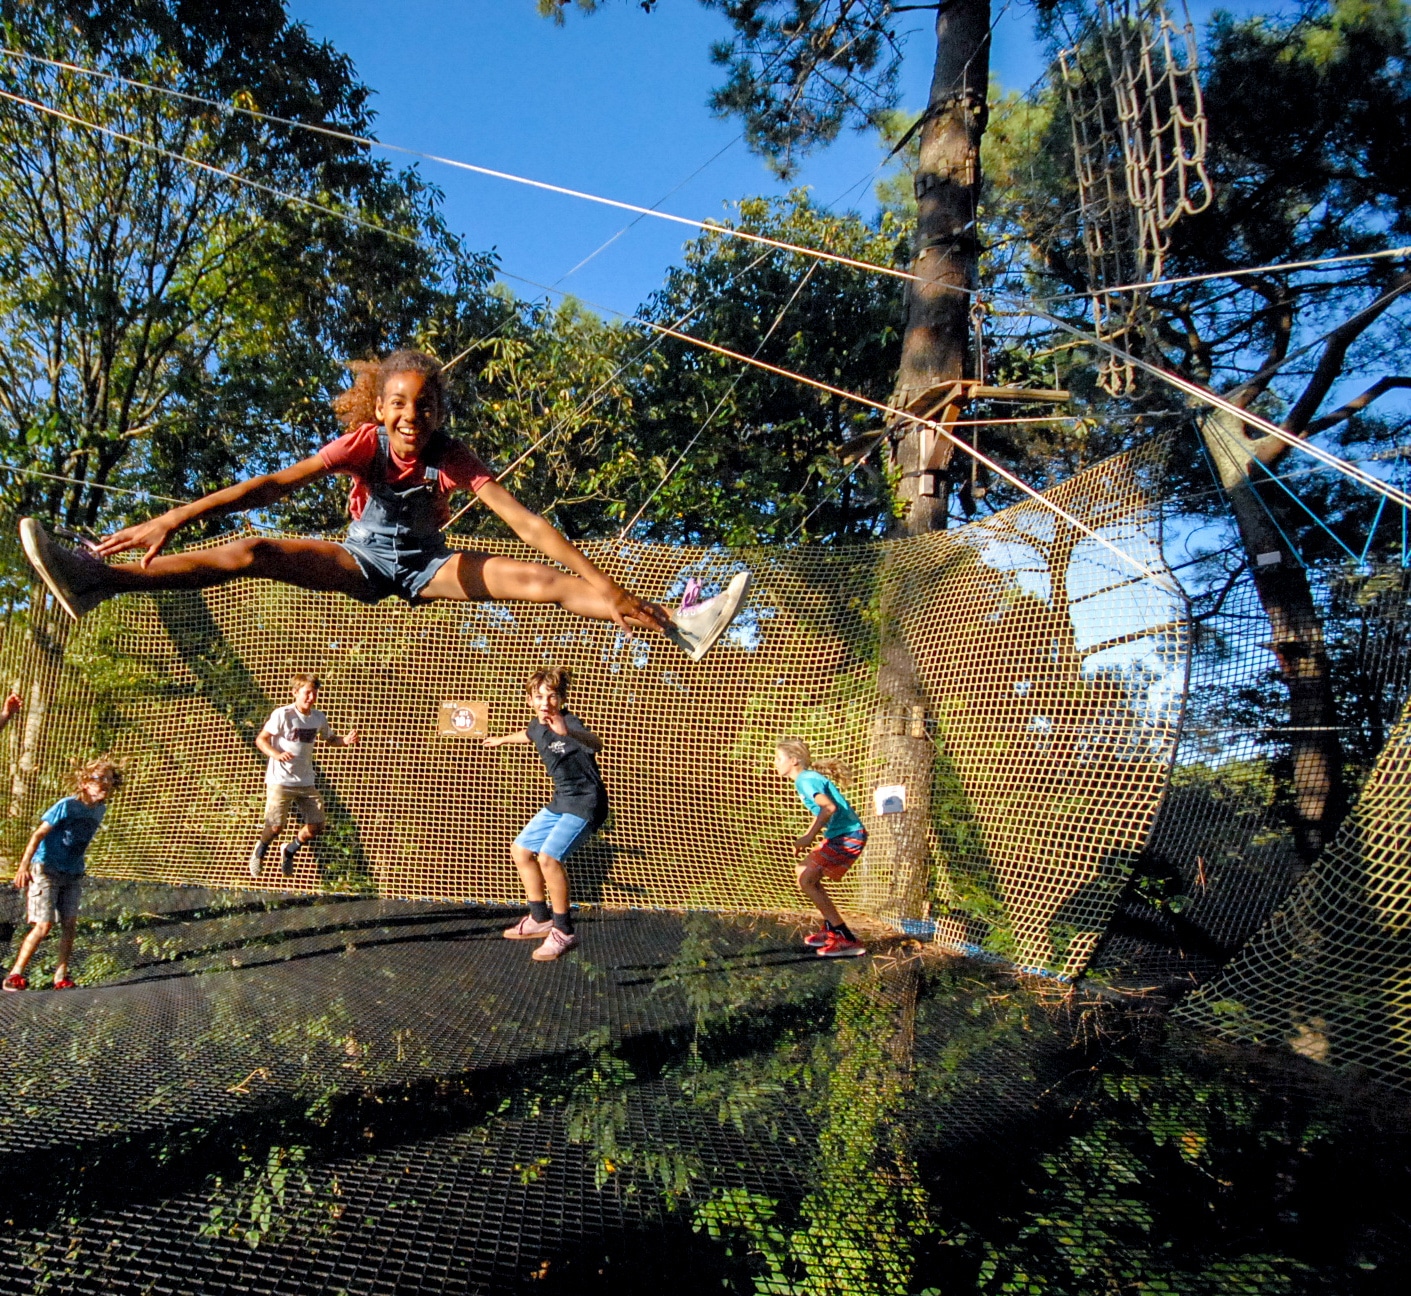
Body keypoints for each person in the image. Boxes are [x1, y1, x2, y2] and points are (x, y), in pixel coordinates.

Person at [17, 350, 750, 661]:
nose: (411, 417)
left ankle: (674, 623)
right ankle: (97, 579)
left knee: (547, 582)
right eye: (399, 404)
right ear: (380, 404)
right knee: (256, 551)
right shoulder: (361, 444)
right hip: (363, 562)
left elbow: (524, 522)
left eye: (424, 407)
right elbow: (268, 486)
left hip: (428, 567)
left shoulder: (450, 457)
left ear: (437, 413)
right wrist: (178, 515)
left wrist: (610, 585)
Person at [484, 667, 607, 962]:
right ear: (529, 700)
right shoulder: (536, 726)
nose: (546, 702)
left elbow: (596, 743)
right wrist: (501, 739)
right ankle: (540, 918)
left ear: (561, 699)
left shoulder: (571, 723)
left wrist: (570, 732)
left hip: (586, 803)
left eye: (552, 696)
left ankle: (563, 932)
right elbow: (528, 734)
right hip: (561, 802)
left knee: (549, 858)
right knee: (521, 850)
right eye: (539, 696)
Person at [4, 754, 123, 991]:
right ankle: (15, 974)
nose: (106, 785)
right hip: (46, 869)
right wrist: (23, 866)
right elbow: (38, 834)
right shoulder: (66, 805)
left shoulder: (100, 809)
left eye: (110, 780)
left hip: (73, 872)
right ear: (85, 783)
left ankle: (61, 975)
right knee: (44, 925)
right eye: (101, 779)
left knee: (69, 923)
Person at [250, 674, 359, 879]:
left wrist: (345, 740)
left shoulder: (318, 717)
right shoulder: (283, 714)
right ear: (295, 693)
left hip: (305, 781)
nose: (311, 697)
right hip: (280, 781)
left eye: (314, 692)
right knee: (275, 826)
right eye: (307, 692)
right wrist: (276, 754)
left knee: (317, 826)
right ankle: (261, 849)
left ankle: (290, 849)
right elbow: (261, 740)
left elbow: (331, 739)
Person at [774, 738, 868, 958]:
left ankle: (845, 937)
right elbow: (821, 812)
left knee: (806, 878)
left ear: (794, 760)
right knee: (804, 875)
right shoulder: (807, 779)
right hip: (841, 834)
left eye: (778, 758)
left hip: (848, 835)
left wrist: (808, 837)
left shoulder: (805, 780)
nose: (774, 763)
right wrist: (806, 837)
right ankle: (832, 928)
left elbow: (828, 807)